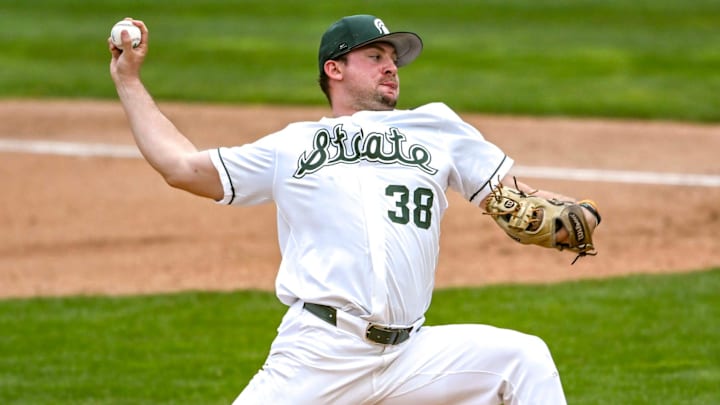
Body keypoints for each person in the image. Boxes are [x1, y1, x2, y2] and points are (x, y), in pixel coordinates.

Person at [109, 14, 599, 405]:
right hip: (322, 350)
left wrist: (550, 212)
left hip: (410, 354)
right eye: (375, 55)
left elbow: (512, 196)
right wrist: (128, 79)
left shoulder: (437, 127)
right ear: (334, 69)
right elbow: (181, 167)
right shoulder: (294, 146)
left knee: (524, 360)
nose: (391, 67)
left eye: (394, 59)